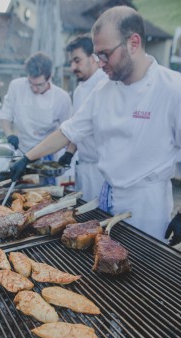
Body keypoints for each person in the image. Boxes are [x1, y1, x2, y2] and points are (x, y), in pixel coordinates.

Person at [9, 5, 181, 243]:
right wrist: (27, 158)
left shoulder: (173, 89)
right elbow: (68, 130)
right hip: (107, 195)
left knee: (142, 270)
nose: (100, 63)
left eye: (105, 54)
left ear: (133, 43)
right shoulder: (103, 91)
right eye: (97, 55)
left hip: (146, 205)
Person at [58, 35, 107, 201]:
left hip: (103, 170)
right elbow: (76, 127)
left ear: (93, 58)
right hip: (84, 166)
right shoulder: (79, 90)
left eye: (77, 60)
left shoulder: (106, 83)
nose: (72, 67)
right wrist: (69, 153)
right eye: (71, 62)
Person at [0, 51, 72, 154]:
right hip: (22, 150)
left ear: (49, 78)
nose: (34, 89)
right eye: (31, 83)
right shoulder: (16, 86)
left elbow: (67, 131)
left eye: (39, 85)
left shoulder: (62, 98)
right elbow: (5, 115)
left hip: (49, 153)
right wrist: (10, 134)